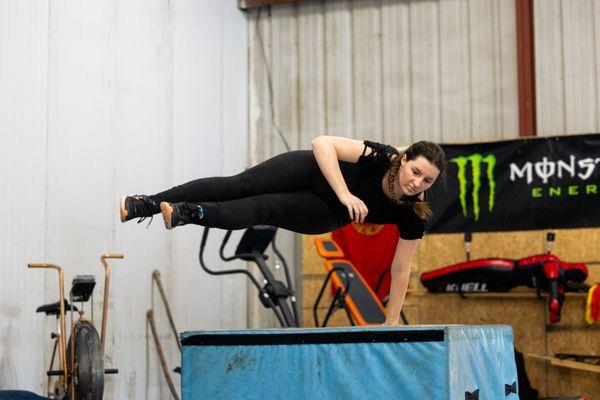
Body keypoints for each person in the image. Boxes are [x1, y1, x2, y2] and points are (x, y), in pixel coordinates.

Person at [120, 136, 445, 325]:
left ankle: (188, 213)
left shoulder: (414, 214)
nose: (416, 183)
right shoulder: (381, 156)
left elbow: (401, 269)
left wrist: (390, 323)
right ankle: (146, 205)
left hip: (326, 212)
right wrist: (346, 192)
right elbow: (322, 143)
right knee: (240, 185)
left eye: (426, 180)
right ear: (403, 161)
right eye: (415, 171)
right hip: (313, 171)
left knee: (266, 208)